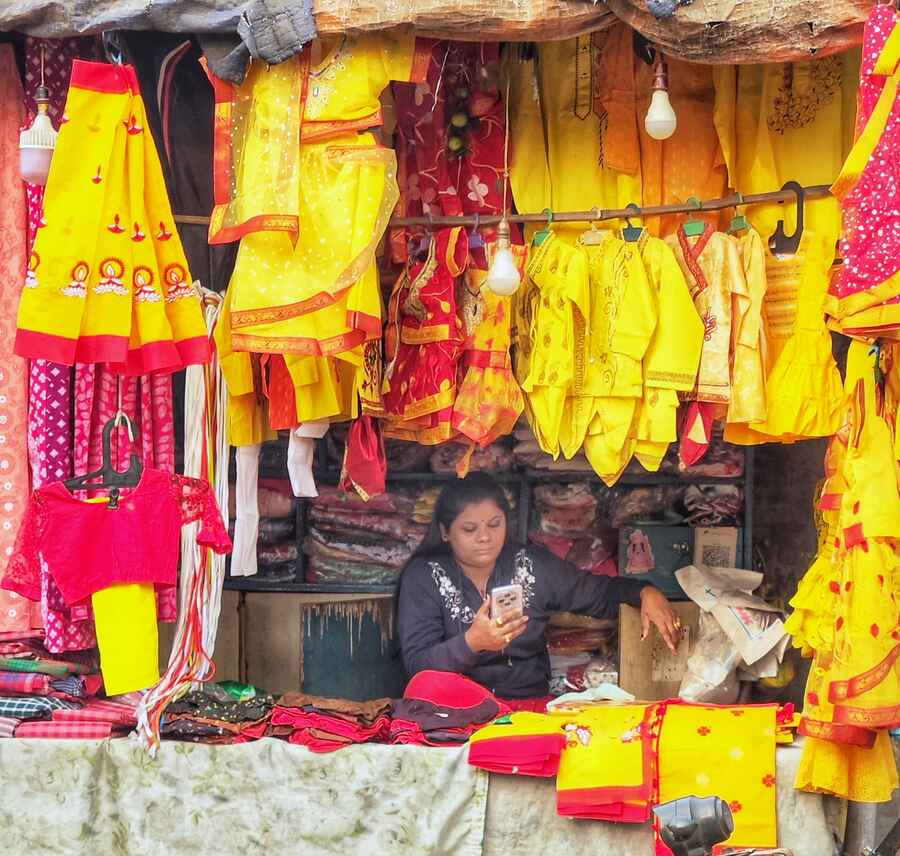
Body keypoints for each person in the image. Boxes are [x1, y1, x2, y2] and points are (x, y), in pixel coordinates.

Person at [397, 472, 681, 701]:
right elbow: (418, 665)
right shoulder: (424, 577)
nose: (485, 537)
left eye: (494, 524)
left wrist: (645, 592)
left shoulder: (531, 564)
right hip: (454, 709)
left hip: (526, 707)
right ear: (445, 532)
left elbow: (599, 593)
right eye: (469, 529)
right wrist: (473, 642)